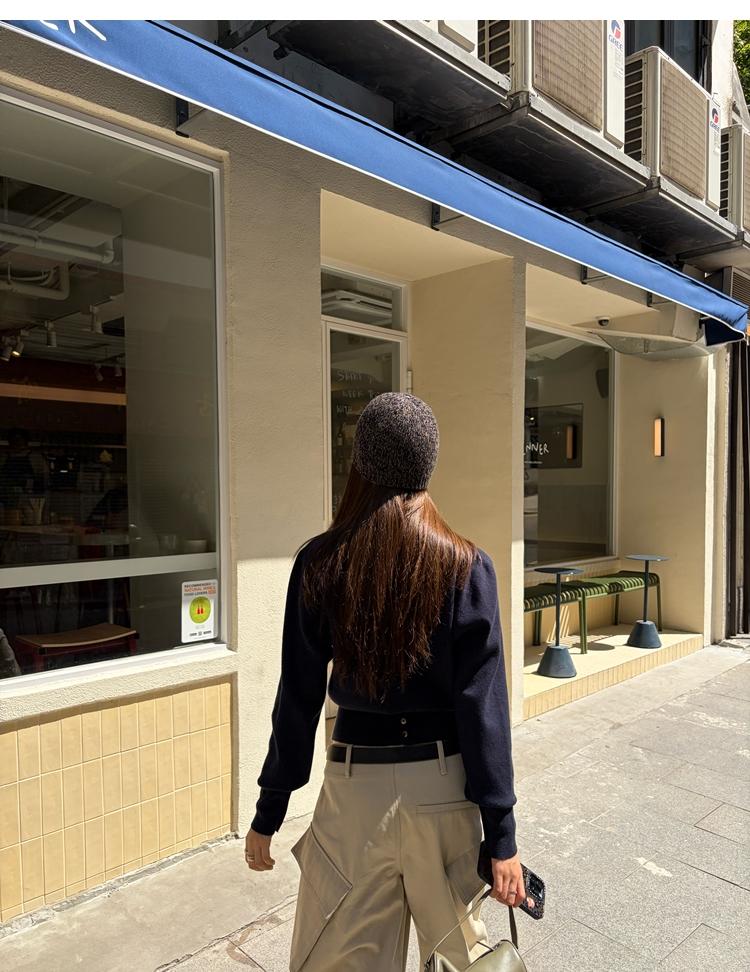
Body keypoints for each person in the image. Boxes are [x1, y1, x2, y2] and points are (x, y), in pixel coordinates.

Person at [245, 392, 524, 971]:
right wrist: (502, 836)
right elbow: (483, 709)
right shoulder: (467, 567)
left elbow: (297, 697)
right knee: (461, 961)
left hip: (355, 794)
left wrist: (270, 809)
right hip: (444, 788)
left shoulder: (320, 564)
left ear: (360, 463)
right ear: (429, 465)